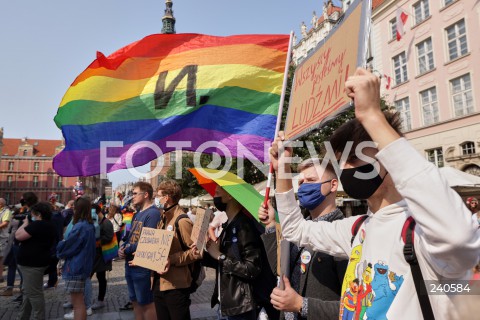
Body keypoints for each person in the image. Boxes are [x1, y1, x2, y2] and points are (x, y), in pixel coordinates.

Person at [269, 68, 480, 319]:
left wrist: (372, 116)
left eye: (355, 159)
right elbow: (294, 229)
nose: (346, 169)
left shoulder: (420, 233)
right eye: (341, 162)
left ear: (389, 158)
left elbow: (458, 238)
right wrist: (283, 165)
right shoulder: (357, 228)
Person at [258, 158, 347, 320]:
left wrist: (301, 304)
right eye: (300, 183)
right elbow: (279, 268)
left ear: (333, 185)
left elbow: (354, 307)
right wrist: (271, 225)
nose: (304, 186)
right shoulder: (298, 229)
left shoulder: (343, 233)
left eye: (311, 180)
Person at [206, 185, 278, 320]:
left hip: (241, 306)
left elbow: (251, 268)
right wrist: (204, 252)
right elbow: (221, 261)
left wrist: (219, 256)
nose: (214, 197)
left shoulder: (244, 226)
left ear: (230, 196)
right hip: (228, 303)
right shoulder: (229, 224)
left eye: (217, 193)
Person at [153, 180, 202, 320]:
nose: (156, 199)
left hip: (176, 286)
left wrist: (171, 259)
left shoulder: (182, 221)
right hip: (159, 283)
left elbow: (196, 252)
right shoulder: (163, 218)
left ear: (167, 197)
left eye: (158, 195)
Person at [118, 182, 160, 320]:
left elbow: (148, 240)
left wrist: (128, 248)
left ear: (146, 194)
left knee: (146, 303)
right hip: (130, 263)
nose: (132, 196)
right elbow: (131, 237)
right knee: (135, 302)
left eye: (135, 193)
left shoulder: (153, 213)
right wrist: (122, 248)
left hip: (142, 266)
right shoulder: (137, 214)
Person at [15, 202, 56, 320]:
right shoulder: (49, 224)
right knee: (29, 291)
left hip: (31, 264)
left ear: (38, 214)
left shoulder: (38, 225)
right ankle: (23, 316)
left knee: (34, 294)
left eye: (32, 214)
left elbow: (18, 236)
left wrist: (25, 223)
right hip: (38, 261)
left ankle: (39, 317)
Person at [57, 197, 96, 320]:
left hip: (76, 266)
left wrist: (60, 245)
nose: (73, 209)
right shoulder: (89, 225)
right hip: (82, 266)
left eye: (75, 207)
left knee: (78, 303)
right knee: (80, 303)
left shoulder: (80, 226)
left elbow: (69, 247)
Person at [89, 204, 114, 310]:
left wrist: (98, 241)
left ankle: (100, 300)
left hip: (102, 255)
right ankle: (82, 299)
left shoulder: (107, 222)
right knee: (87, 276)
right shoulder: (94, 221)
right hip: (93, 255)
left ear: (98, 211)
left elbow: (109, 237)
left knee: (101, 278)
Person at [0, 208, 22, 297]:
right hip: (14, 244)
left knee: (17, 267)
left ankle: (16, 289)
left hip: (16, 244)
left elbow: (8, 227)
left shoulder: (15, 219)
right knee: (13, 266)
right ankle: (11, 288)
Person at [44, 202, 64, 289]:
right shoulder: (60, 216)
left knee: (50, 263)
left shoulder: (49, 218)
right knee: (54, 262)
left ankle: (51, 282)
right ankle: (52, 282)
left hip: (51, 242)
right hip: (58, 240)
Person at [0, 198, 12, 282]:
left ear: (1, 204)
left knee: (1, 258)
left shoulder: (6, 211)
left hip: (2, 238)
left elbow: (5, 223)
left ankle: (0, 277)